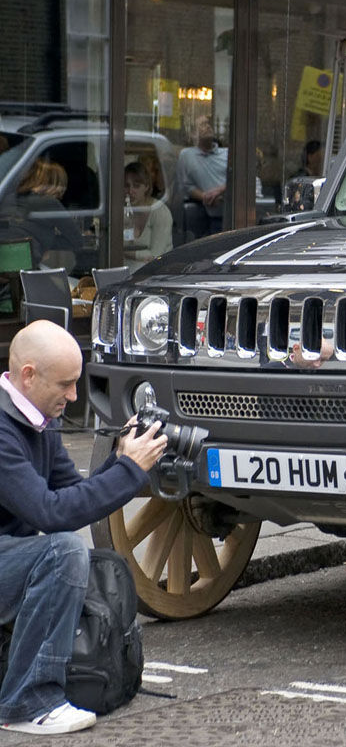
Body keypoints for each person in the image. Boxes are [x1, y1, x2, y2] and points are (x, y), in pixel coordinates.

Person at [0, 320, 167, 735]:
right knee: (63, 553)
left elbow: (74, 495)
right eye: (66, 384)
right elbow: (51, 513)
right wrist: (128, 470)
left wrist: (122, 458)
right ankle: (28, 703)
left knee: (74, 555)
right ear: (28, 376)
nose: (74, 396)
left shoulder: (37, 419)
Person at [12, 159, 83, 269]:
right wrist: (46, 241)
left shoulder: (13, 199)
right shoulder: (49, 203)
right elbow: (77, 241)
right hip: (27, 268)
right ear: (55, 183)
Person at [176, 114, 228, 235]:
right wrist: (205, 197)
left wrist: (219, 191)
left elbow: (238, 178)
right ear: (193, 134)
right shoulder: (187, 155)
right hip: (201, 215)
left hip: (229, 215)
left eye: (208, 124)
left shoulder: (226, 153)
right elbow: (185, 185)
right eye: (202, 125)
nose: (208, 126)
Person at [123, 161, 173, 271]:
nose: (130, 191)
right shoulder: (124, 211)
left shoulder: (159, 211)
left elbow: (156, 255)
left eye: (136, 186)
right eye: (126, 186)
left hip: (157, 270)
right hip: (128, 267)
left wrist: (127, 253)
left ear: (146, 186)